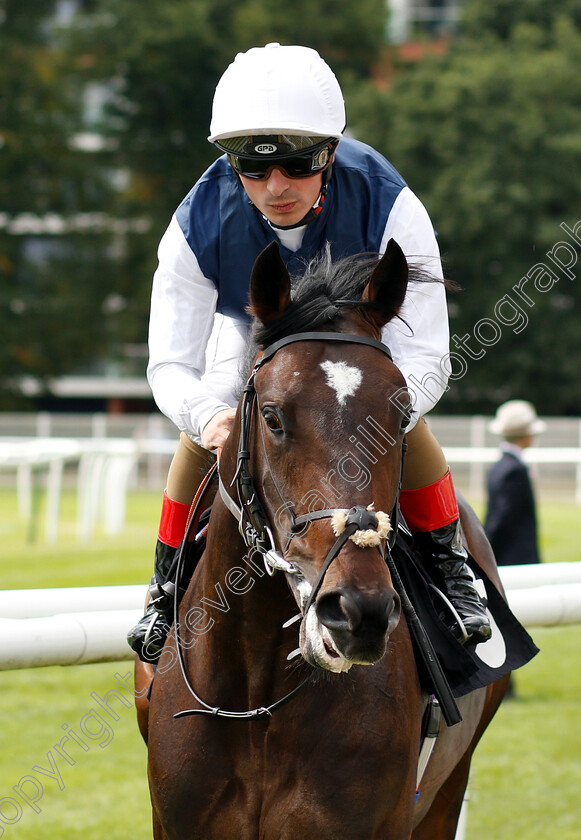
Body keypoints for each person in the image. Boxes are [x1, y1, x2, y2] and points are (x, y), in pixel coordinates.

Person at [127, 42, 491, 662]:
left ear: (330, 151)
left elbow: (428, 354)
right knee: (206, 427)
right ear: (231, 162)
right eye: (252, 168)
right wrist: (206, 418)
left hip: (354, 342)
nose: (274, 188)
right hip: (245, 332)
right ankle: (165, 585)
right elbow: (170, 363)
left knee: (402, 416)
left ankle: (449, 563)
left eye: (297, 166)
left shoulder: (390, 203)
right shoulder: (195, 222)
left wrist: (386, 406)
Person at [485, 400, 546, 566]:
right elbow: (502, 518)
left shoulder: (500, 466)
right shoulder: (514, 470)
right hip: (514, 558)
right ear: (526, 434)